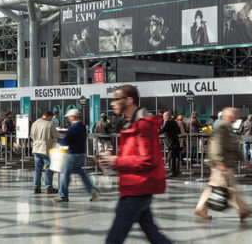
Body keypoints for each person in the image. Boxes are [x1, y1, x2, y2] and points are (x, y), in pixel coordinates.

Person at [99, 84, 170, 243]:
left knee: (114, 238)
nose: (112, 103)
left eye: (116, 99)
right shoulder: (130, 124)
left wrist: (117, 160)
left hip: (137, 189)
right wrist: (112, 159)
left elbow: (148, 160)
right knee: (153, 234)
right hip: (134, 187)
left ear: (129, 100)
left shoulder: (142, 126)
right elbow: (134, 155)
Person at [194, 107, 252, 221]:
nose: (238, 116)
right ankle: (243, 210)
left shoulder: (227, 127)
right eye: (235, 114)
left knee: (218, 187)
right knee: (227, 188)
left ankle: (201, 208)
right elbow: (217, 145)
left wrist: (242, 158)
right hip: (222, 164)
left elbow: (233, 145)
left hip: (225, 163)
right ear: (228, 116)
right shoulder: (222, 127)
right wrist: (219, 161)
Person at [55, 108, 99, 203]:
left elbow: (65, 142)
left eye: (69, 117)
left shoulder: (72, 128)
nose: (68, 118)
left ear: (73, 117)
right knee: (81, 173)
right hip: (81, 154)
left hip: (72, 155)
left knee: (65, 174)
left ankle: (63, 196)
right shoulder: (83, 127)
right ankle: (92, 190)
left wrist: (57, 140)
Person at [29, 110, 59, 195]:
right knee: (49, 168)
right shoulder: (49, 124)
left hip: (36, 148)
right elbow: (56, 135)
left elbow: (31, 135)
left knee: (37, 169)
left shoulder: (35, 123)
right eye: (51, 118)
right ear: (49, 117)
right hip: (45, 148)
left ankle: (36, 187)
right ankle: (49, 187)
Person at [160, 110, 182, 177]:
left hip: (170, 143)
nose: (163, 118)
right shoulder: (175, 122)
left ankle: (173, 171)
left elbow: (162, 130)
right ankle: (177, 171)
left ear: (166, 116)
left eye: (163, 116)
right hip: (176, 141)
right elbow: (179, 131)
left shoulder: (168, 122)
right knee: (176, 157)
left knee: (171, 157)